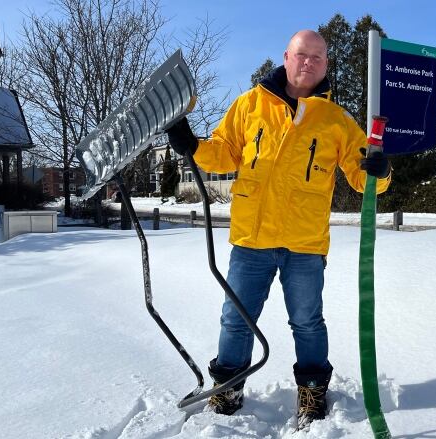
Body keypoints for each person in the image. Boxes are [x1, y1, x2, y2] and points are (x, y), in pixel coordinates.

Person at [165, 30, 391, 429]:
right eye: (302, 55)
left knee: (307, 322)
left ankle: (312, 392)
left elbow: (363, 175)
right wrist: (193, 146)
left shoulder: (335, 119)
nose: (309, 63)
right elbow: (225, 150)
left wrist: (380, 171)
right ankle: (229, 388)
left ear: (325, 65)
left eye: (318, 57)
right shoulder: (250, 105)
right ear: (286, 56)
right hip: (252, 238)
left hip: (305, 243)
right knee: (236, 319)